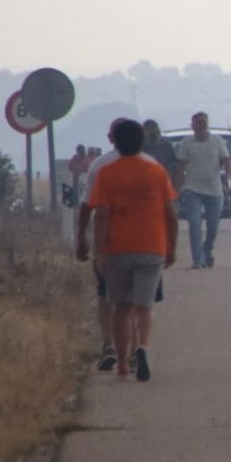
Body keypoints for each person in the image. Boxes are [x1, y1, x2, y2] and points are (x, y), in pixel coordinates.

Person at [87, 119, 178, 381]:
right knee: (144, 306)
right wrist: (170, 248)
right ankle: (143, 347)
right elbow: (170, 214)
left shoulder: (107, 173)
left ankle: (124, 364)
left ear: (115, 141)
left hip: (118, 249)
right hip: (152, 246)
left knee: (122, 308)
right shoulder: (156, 171)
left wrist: (99, 251)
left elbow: (101, 216)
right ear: (142, 141)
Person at [175, 111, 231, 268]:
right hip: (192, 188)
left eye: (203, 122)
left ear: (207, 124)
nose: (200, 125)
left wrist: (229, 182)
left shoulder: (217, 141)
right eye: (197, 123)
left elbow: (227, 162)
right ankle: (198, 259)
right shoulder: (186, 143)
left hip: (214, 189)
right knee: (194, 222)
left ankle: (207, 249)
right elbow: (180, 167)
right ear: (192, 126)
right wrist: (177, 188)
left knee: (213, 226)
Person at [141, 119, 180, 188]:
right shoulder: (139, 147)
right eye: (149, 131)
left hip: (165, 180)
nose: (152, 134)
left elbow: (174, 165)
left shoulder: (166, 144)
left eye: (154, 130)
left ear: (158, 131)